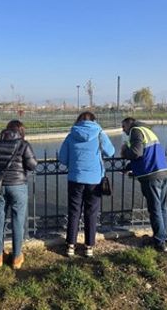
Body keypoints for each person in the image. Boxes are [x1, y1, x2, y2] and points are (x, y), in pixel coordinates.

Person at [0, 120, 37, 269]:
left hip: (0, 187)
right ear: (20, 131)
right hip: (18, 186)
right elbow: (33, 165)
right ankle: (17, 257)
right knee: (17, 221)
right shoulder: (24, 144)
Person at [59, 111, 115, 258]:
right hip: (95, 181)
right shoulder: (99, 134)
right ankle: (89, 247)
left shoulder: (71, 135)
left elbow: (63, 159)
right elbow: (111, 152)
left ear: (78, 120)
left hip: (75, 179)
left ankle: (70, 245)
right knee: (91, 213)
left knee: (74, 211)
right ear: (94, 121)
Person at [120, 117, 167, 252]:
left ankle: (159, 242)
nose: (123, 130)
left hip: (152, 175)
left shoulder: (135, 131)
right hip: (163, 171)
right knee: (162, 207)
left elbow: (136, 152)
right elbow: (146, 154)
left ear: (129, 123)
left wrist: (125, 151)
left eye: (123, 126)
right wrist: (129, 166)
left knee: (154, 208)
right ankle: (165, 238)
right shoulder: (148, 131)